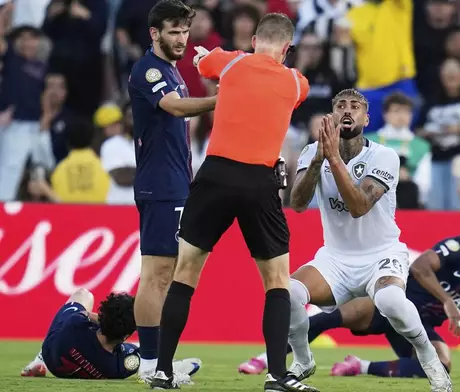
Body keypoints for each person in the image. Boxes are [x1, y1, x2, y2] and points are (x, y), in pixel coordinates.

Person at [151, 12, 313, 392]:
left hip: (215, 175)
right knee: (276, 281)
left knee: (185, 272)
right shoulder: (296, 82)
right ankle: (276, 375)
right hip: (259, 181)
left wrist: (206, 57)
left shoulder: (232, 60)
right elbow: (291, 93)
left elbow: (202, 61)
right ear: (287, 49)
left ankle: (161, 372)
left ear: (254, 40)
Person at [284, 89, 452, 391]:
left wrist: (333, 160)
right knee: (290, 293)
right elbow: (296, 204)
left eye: (355, 106)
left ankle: (429, 358)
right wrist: (317, 161)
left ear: (366, 117)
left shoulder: (384, 155)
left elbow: (359, 207)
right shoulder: (313, 151)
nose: (347, 111)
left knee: (390, 300)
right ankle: (304, 359)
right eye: (340, 106)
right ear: (332, 115)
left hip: (381, 254)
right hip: (335, 258)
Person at [239, 207, 460, 380]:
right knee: (330, 319)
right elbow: (419, 267)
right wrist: (448, 304)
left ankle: (360, 366)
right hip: (388, 299)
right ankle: (266, 359)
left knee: (442, 364)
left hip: (416, 326)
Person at [127, 0, 217, 384]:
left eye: (184, 31)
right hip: (160, 185)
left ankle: (158, 359)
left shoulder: (171, 70)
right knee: (157, 274)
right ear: (155, 33)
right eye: (173, 32)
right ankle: (150, 364)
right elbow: (175, 109)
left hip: (174, 182)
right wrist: (223, 100)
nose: (181, 38)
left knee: (166, 273)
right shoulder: (149, 70)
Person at [19, 289, 200, 380]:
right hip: (84, 367)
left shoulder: (75, 324)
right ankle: (171, 368)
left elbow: (83, 313)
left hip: (53, 357)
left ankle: (38, 359)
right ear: (126, 335)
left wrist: (105, 318)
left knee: (83, 295)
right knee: (147, 352)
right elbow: (143, 349)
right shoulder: (120, 366)